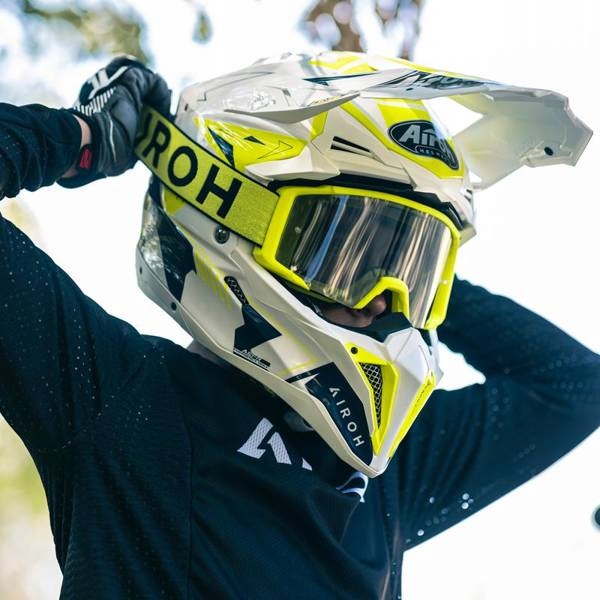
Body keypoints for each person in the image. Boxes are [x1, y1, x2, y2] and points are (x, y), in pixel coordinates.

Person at [0, 55, 598, 600]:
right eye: (347, 253)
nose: (380, 304)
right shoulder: (125, 397)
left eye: (405, 273)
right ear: (230, 221)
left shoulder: (380, 468)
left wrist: (413, 248)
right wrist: (81, 137)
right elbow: (571, 386)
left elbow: (576, 385)